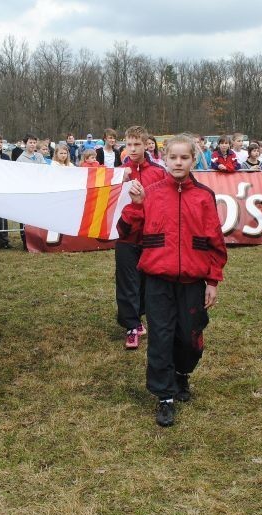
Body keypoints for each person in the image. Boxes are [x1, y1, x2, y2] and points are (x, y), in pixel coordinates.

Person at [117, 134, 227, 427]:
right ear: (164, 159)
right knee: (161, 338)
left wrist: (213, 280)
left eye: (184, 158)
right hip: (157, 281)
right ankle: (164, 396)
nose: (178, 163)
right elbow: (127, 233)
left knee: (189, 338)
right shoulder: (149, 193)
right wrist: (137, 206)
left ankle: (182, 375)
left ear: (193, 160)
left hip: (192, 282)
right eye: (173, 158)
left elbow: (215, 240)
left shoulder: (204, 196)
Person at [116, 126, 166, 350]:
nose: (133, 149)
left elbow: (162, 204)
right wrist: (119, 176)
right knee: (127, 281)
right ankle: (132, 325)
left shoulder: (158, 171)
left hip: (149, 237)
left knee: (147, 282)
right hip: (126, 236)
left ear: (147, 145)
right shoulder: (118, 172)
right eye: (129, 145)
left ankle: (141, 316)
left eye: (137, 144)